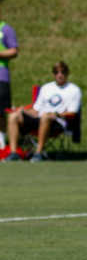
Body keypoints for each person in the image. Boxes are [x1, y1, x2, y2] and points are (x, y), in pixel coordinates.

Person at [3, 61, 81, 162]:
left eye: (63, 72)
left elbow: (73, 113)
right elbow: (36, 110)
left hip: (57, 121)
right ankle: (13, 153)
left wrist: (56, 114)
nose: (60, 75)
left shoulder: (74, 90)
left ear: (67, 73)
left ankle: (38, 153)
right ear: (53, 74)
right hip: (39, 119)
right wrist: (23, 111)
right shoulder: (46, 88)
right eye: (56, 72)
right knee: (13, 116)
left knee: (45, 117)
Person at [0, 10, 19, 149]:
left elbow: (14, 51)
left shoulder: (5, 29)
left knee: (1, 111)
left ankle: (1, 141)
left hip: (1, 76)